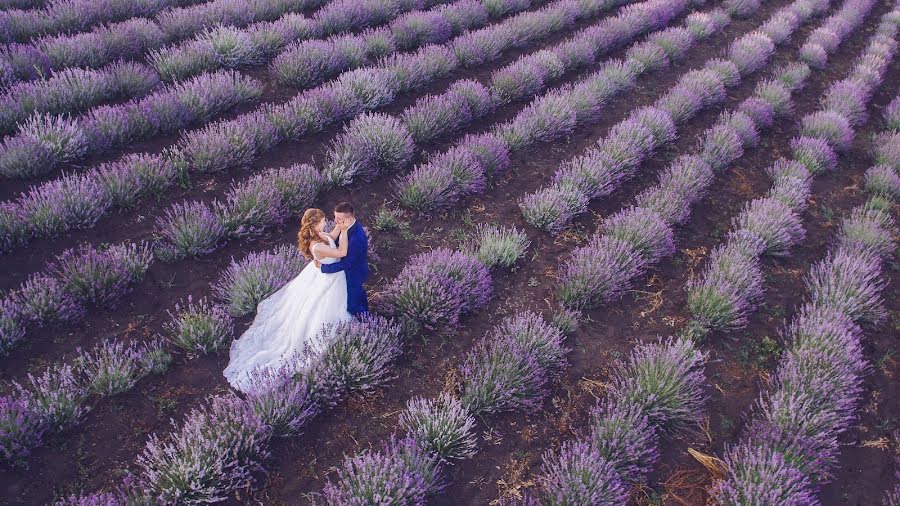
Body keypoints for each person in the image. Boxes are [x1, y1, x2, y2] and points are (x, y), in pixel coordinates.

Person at [223, 207, 354, 392]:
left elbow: (330, 236)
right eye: (324, 220)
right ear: (316, 223)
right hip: (328, 282)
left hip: (324, 276)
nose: (326, 223)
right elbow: (341, 252)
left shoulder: (319, 236)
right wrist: (346, 232)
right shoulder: (317, 246)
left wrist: (339, 228)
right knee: (323, 312)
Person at [317, 202, 370, 316]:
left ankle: (366, 322)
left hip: (354, 272)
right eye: (335, 216)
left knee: (352, 304)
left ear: (349, 219)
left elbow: (347, 263)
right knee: (357, 296)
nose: (335, 220)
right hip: (348, 269)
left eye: (338, 218)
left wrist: (324, 268)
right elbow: (332, 237)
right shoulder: (343, 225)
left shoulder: (357, 238)